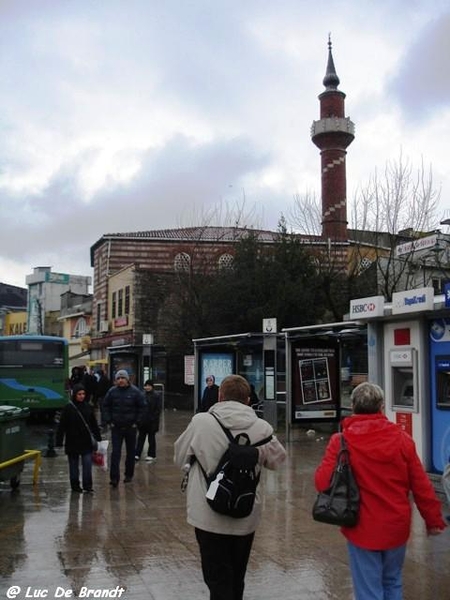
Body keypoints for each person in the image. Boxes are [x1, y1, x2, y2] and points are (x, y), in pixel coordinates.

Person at [315, 382, 446, 600]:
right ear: (382, 407)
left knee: (368, 590)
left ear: (353, 406)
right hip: (396, 526)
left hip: (361, 527)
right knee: (393, 581)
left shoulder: (341, 442)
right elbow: (421, 484)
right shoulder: (402, 439)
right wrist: (433, 521)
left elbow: (322, 483)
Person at [174, 374, 286, 600]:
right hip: (245, 513)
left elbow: (179, 457)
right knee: (237, 575)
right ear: (247, 400)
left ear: (220, 396)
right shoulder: (262, 428)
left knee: (216, 578)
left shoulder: (201, 422)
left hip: (206, 513)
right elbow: (278, 460)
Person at [102, 369, 145, 487]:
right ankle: (114, 478)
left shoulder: (135, 392)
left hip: (131, 427)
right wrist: (109, 420)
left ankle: (128, 475)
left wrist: (137, 422)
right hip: (116, 427)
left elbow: (142, 407)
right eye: (118, 378)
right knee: (115, 453)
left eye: (122, 378)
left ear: (127, 379)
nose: (120, 380)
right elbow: (105, 406)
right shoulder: (112, 392)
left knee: (131, 453)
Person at [56, 384, 101, 493]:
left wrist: (98, 438)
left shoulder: (88, 407)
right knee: (73, 466)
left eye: (83, 394)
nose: (81, 396)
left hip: (86, 442)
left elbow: (93, 424)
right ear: (75, 395)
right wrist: (59, 441)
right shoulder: (68, 408)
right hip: (72, 441)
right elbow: (62, 425)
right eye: (79, 394)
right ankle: (75, 485)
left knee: (87, 465)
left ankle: (87, 485)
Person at [135, 380, 162, 462]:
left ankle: (151, 454)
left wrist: (153, 418)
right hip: (143, 421)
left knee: (151, 438)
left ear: (152, 386)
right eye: (145, 386)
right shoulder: (141, 395)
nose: (147, 387)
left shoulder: (156, 396)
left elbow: (158, 409)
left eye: (148, 386)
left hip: (152, 421)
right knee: (140, 438)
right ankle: (137, 454)